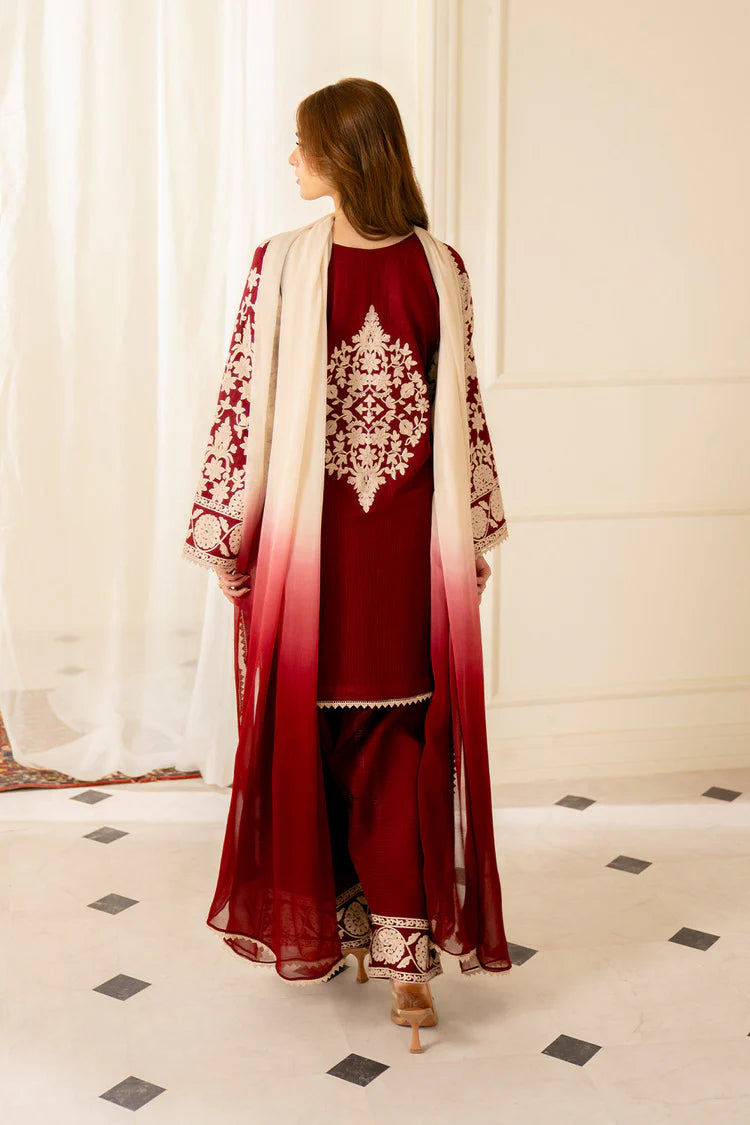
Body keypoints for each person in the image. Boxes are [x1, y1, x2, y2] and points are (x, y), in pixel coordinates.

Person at [183, 78, 511, 1054]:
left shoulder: (284, 264)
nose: (291, 159)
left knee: (320, 740)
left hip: (313, 558)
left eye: (303, 144)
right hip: (403, 559)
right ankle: (405, 963)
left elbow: (242, 403)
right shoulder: (438, 267)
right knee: (396, 748)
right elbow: (465, 417)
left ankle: (343, 932)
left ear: (342, 153)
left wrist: (228, 534)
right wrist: (471, 542)